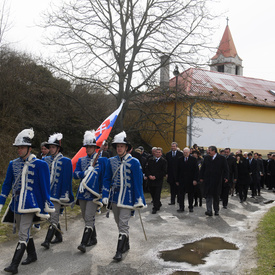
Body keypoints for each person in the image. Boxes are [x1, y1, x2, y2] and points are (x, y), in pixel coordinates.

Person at [0, 129, 55, 274]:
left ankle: (14, 265)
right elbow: (6, 185)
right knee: (23, 231)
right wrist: (1, 201)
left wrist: (47, 203)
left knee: (23, 233)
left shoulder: (40, 165)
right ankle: (32, 255)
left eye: (22, 147)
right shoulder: (13, 164)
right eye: (18, 147)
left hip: (31, 204)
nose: (19, 150)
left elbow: (44, 186)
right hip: (16, 203)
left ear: (29, 149)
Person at [102, 131, 146, 262]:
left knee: (123, 223)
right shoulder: (111, 161)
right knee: (118, 223)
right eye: (118, 146)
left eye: (122, 146)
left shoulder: (135, 162)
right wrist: (105, 194)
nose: (119, 148)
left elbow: (138, 182)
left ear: (127, 147)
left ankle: (118, 251)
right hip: (114, 197)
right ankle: (125, 243)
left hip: (128, 198)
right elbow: (106, 179)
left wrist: (139, 199)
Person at [73, 130, 107, 253]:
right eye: (87, 147)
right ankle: (94, 238)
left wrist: (104, 193)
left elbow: (104, 177)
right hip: (82, 193)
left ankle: (83, 243)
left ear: (95, 148)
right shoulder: (81, 161)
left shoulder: (101, 160)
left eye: (91, 147)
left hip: (94, 194)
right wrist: (84, 173)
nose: (88, 149)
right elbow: (75, 175)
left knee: (89, 217)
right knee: (86, 217)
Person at [41, 133, 74, 249]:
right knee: (49, 217)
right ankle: (59, 236)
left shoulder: (66, 161)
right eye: (49, 147)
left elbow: (67, 179)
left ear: (58, 148)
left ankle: (47, 241)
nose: (50, 149)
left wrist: (65, 194)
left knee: (54, 217)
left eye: (53, 147)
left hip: (58, 194)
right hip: (47, 193)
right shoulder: (45, 160)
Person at [199, 146, 229, 216]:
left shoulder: (221, 158)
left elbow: (226, 169)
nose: (208, 152)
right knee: (208, 195)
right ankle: (209, 210)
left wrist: (226, 177)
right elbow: (203, 168)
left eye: (209, 150)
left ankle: (216, 210)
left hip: (217, 180)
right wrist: (201, 177)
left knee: (216, 196)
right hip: (208, 180)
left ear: (214, 151)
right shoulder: (206, 158)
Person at [176, 147, 199, 212]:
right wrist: (177, 180)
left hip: (190, 180)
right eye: (184, 152)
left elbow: (196, 171)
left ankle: (191, 207)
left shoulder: (193, 159)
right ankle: (181, 207)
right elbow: (177, 170)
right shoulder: (180, 159)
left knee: (190, 194)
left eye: (186, 152)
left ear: (189, 153)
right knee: (181, 195)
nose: (185, 154)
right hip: (182, 180)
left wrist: (195, 179)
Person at [145, 147, 167, 214]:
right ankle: (158, 203)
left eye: (159, 152)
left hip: (158, 180)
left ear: (161, 153)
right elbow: (147, 168)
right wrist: (149, 175)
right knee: (152, 193)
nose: (157, 153)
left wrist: (156, 177)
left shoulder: (164, 161)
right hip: (151, 180)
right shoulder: (150, 160)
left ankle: (155, 207)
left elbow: (164, 171)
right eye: (156, 152)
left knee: (157, 194)